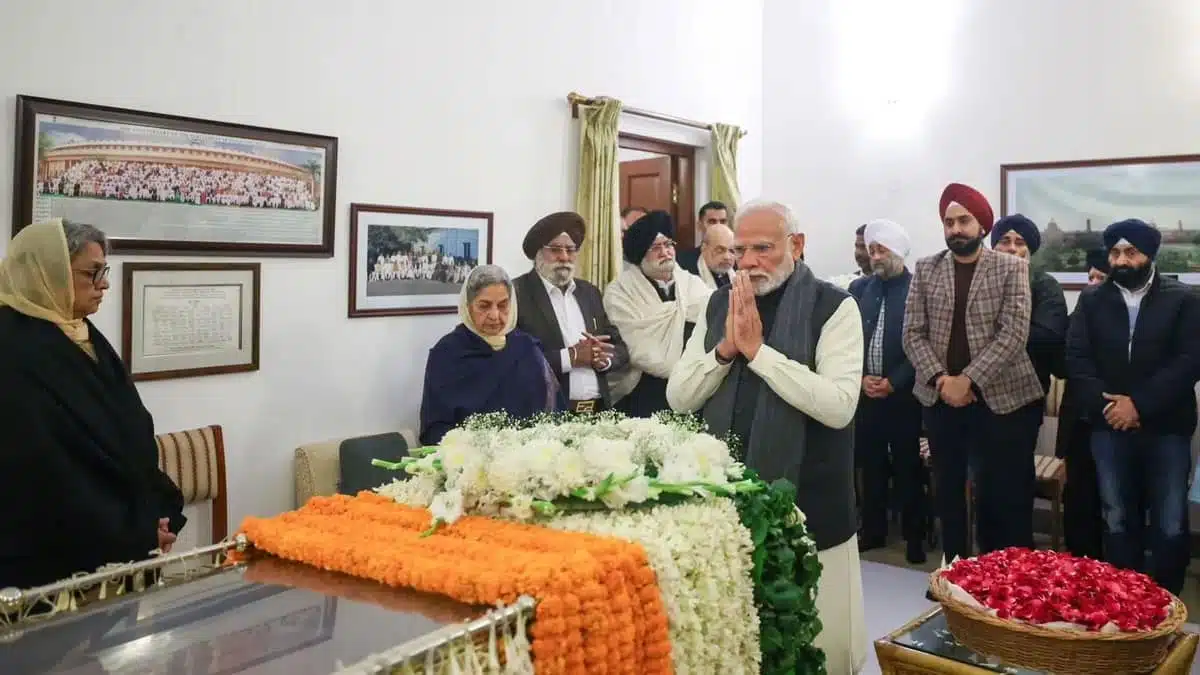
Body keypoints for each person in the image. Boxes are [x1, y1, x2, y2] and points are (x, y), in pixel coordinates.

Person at [666, 199, 867, 674]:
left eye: (764, 248)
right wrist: (724, 351)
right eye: (741, 249)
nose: (749, 261)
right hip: (731, 504)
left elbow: (839, 407)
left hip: (812, 503)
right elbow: (679, 396)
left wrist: (758, 354)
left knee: (820, 645)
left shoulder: (834, 307)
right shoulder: (720, 304)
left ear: (796, 246)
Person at [0, 219, 186, 589]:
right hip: (51, 559)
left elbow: (128, 431)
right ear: (47, 272)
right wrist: (135, 530)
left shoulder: (79, 329)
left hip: (121, 537)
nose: (104, 284)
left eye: (105, 271)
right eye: (92, 273)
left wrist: (158, 512)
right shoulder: (11, 348)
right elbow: (46, 468)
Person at [902, 183, 1043, 563]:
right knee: (948, 492)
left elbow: (1014, 331)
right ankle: (955, 574)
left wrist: (969, 379)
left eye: (964, 220)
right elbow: (912, 333)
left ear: (982, 224)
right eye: (949, 222)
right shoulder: (926, 268)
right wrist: (943, 380)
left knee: (1002, 497)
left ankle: (1005, 580)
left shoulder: (1011, 267)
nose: (955, 229)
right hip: (940, 398)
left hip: (1003, 401)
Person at [1065, 219, 1200, 595]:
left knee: (1170, 521)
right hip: (1108, 428)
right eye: (1115, 253)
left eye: (1130, 252)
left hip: (1167, 428)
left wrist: (1138, 405)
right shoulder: (1092, 300)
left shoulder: (1185, 299)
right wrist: (1109, 407)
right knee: (1117, 518)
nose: (1121, 260)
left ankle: (1166, 603)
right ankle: (1123, 601)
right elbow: (1077, 358)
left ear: (1149, 255)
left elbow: (1189, 361)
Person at [850, 219, 925, 564]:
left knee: (908, 469)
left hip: (905, 397)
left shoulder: (918, 289)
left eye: (882, 250)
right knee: (872, 466)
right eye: (872, 249)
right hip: (867, 395)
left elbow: (922, 344)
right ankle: (874, 530)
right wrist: (863, 377)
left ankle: (914, 538)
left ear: (898, 252)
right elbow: (849, 340)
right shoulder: (860, 288)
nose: (875, 256)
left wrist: (895, 380)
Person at [419, 265, 563, 445]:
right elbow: (434, 428)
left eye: (503, 306)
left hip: (529, 460)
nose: (495, 315)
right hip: (470, 464)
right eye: (484, 306)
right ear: (468, 306)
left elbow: (554, 411)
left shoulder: (528, 348)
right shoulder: (447, 354)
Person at [513, 211, 629, 413]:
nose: (564, 257)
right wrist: (571, 357)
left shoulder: (589, 293)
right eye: (555, 249)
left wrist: (604, 359)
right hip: (548, 414)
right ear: (538, 253)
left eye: (570, 250)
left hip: (598, 412)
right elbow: (512, 361)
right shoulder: (518, 293)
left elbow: (620, 348)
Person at [605, 210, 712, 417]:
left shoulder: (693, 284)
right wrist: (684, 371)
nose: (666, 252)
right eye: (656, 247)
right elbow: (636, 349)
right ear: (641, 253)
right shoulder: (620, 292)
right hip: (643, 390)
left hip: (693, 390)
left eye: (669, 244)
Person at [1056, 248, 1110, 560]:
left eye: (1100, 278)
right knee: (1077, 496)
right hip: (1078, 422)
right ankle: (1077, 559)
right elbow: (1064, 366)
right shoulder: (1078, 315)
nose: (1092, 283)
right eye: (1089, 277)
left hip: (1112, 422)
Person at [990, 214, 1069, 394]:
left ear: (1029, 250)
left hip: (1026, 390)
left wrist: (991, 331)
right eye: (1004, 241)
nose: (1011, 249)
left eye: (1019, 243)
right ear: (994, 248)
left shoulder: (1046, 286)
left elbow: (1048, 337)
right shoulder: (979, 282)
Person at [675, 201, 730, 272]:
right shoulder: (682, 262)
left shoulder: (738, 260)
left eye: (723, 221)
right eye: (712, 222)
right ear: (699, 225)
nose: (718, 226)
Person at [678, 223, 735, 289]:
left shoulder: (739, 271)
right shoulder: (687, 275)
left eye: (732, 251)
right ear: (704, 248)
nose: (727, 257)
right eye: (720, 250)